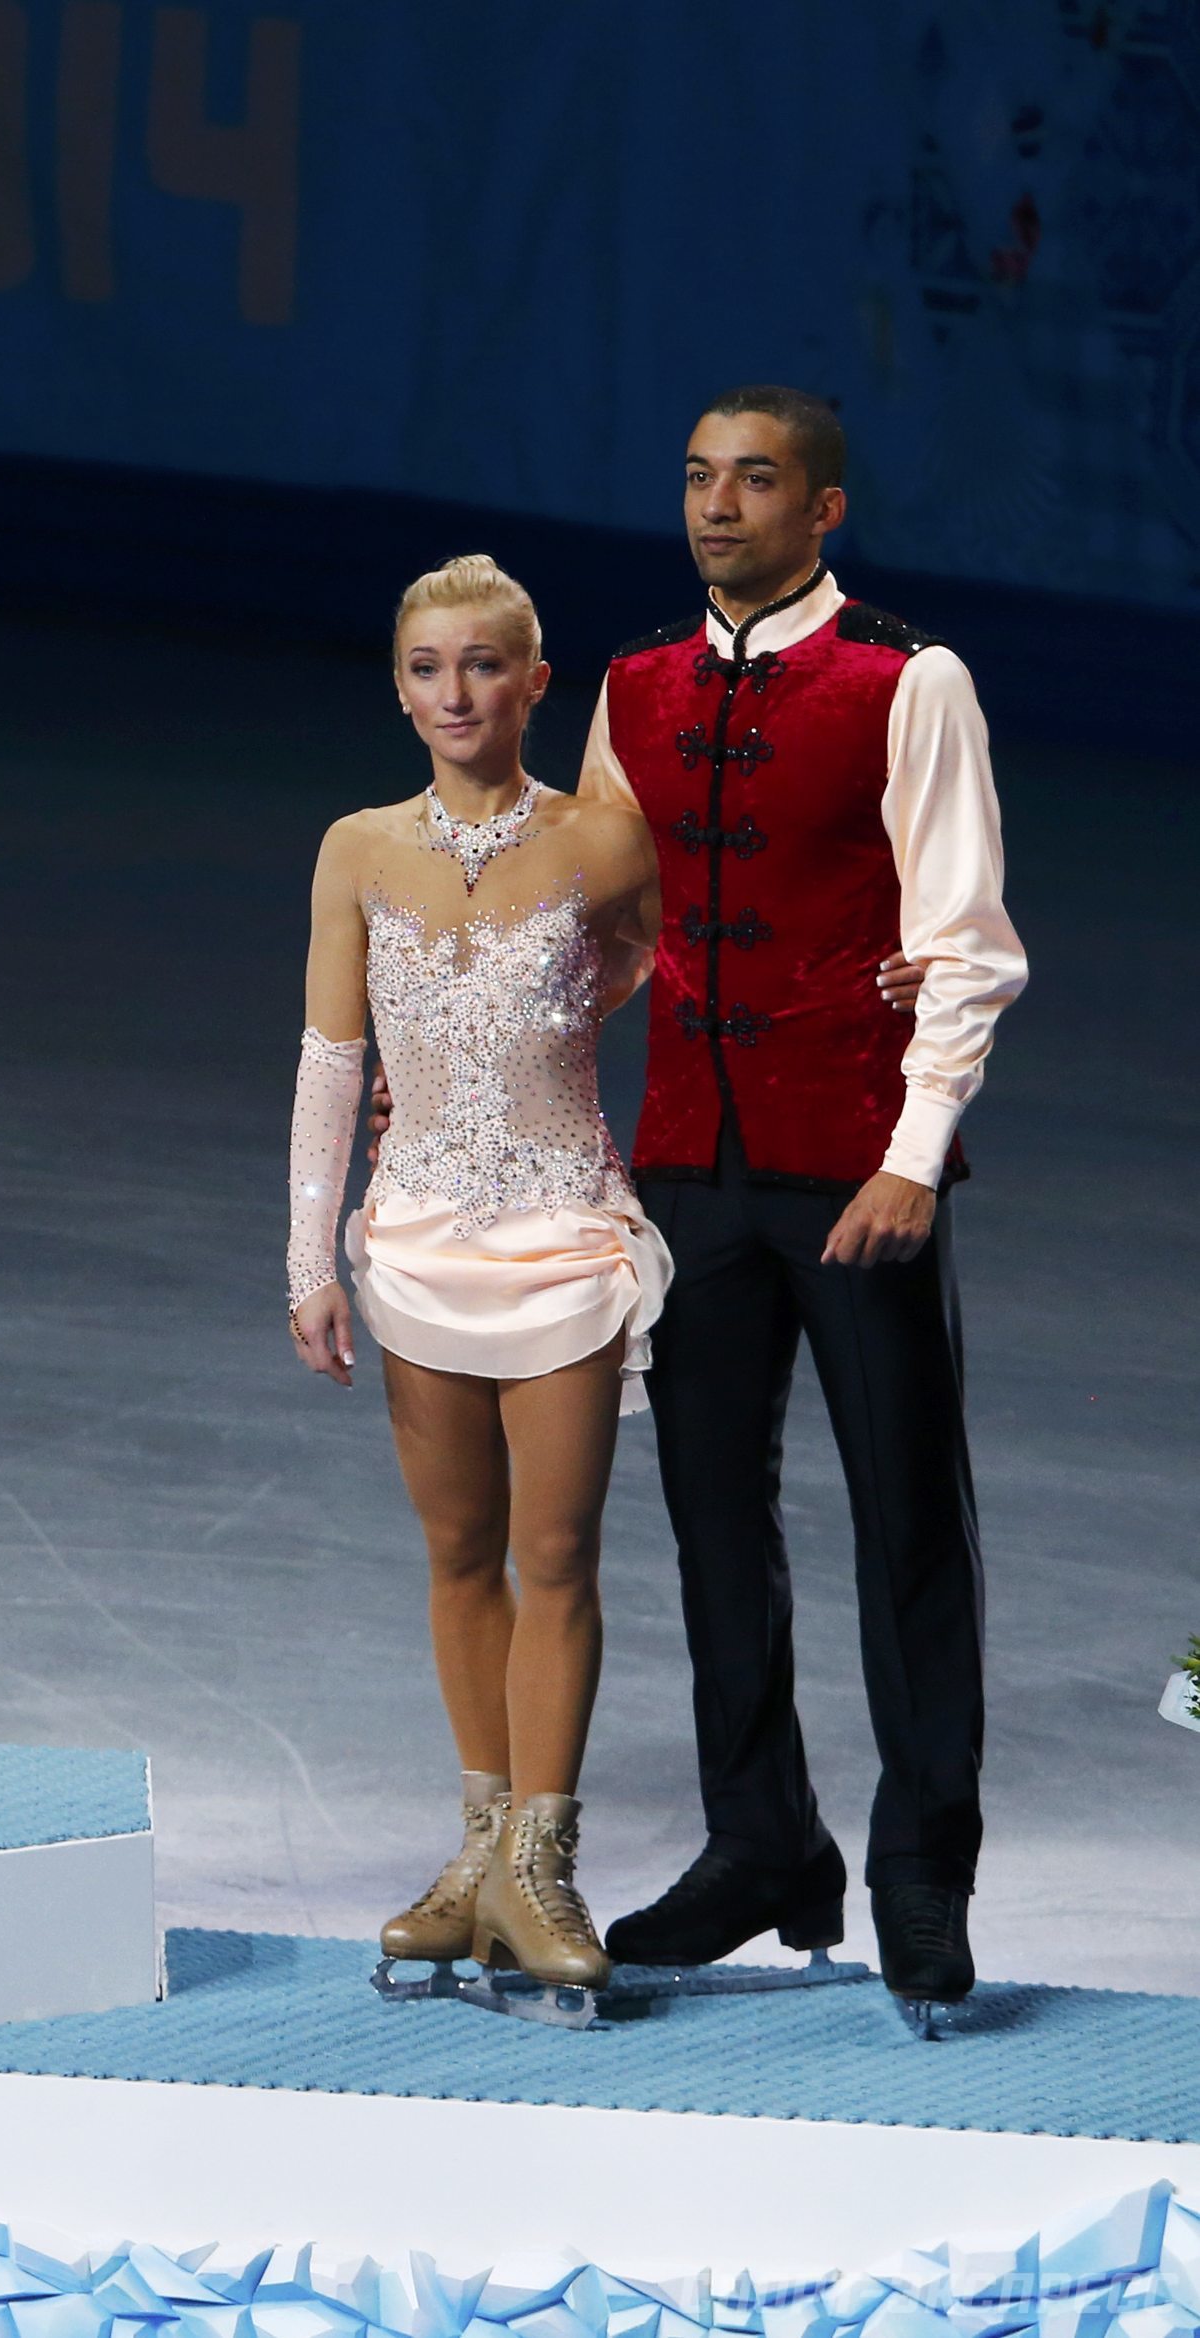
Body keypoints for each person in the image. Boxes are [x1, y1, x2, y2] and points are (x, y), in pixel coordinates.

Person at [581, 387, 1024, 2011]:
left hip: (852, 1166)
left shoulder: (907, 681)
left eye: (755, 480)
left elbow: (966, 937)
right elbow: (610, 934)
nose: (718, 506)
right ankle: (762, 1842)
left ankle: (922, 1864)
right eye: (698, 476)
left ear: (823, 509)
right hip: (692, 1165)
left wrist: (913, 1158)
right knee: (711, 1516)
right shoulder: (632, 687)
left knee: (909, 1517)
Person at [289, 556, 663, 1993]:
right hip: (419, 1239)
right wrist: (307, 1259)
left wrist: (551, 1021)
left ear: (535, 683)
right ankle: (483, 1847)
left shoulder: (607, 841)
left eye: (484, 667)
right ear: (400, 686)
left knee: (556, 1553)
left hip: (563, 1234)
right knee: (457, 1553)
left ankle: (544, 1868)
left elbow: (659, 961)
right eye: (429, 668)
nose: (456, 692)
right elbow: (334, 1059)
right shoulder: (357, 848)